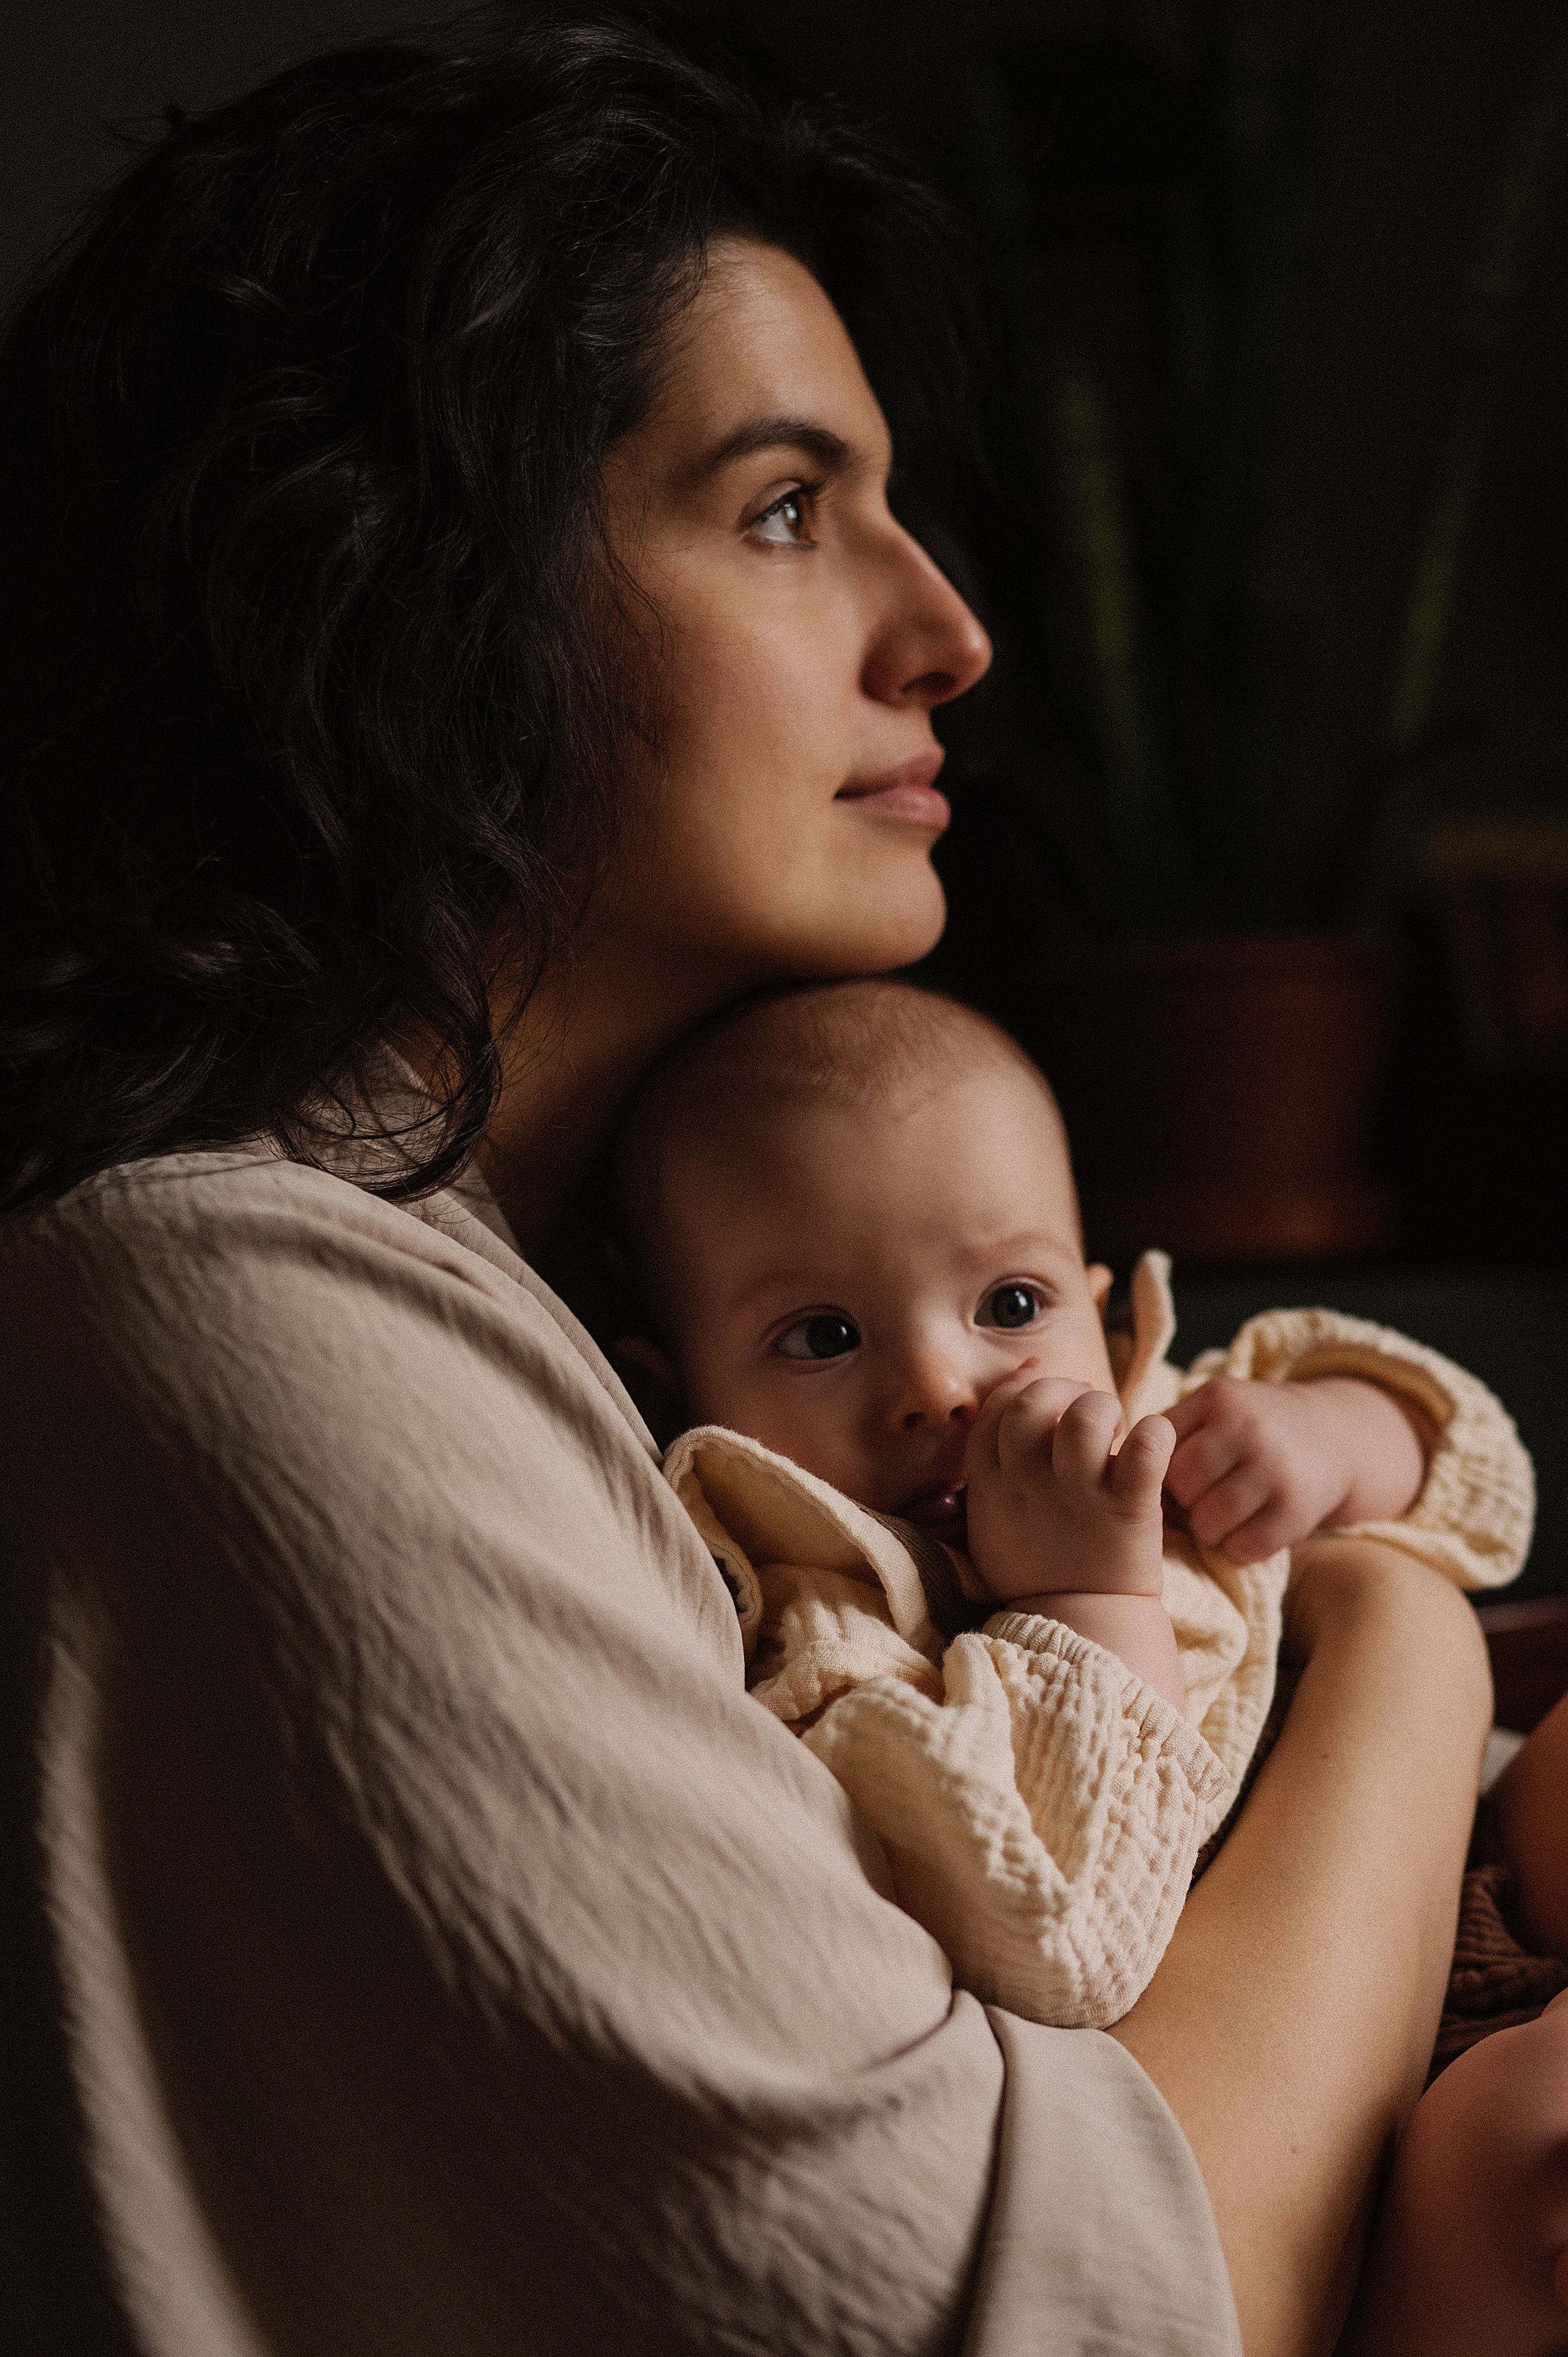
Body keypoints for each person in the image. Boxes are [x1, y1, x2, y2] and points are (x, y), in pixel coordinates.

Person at [0, 13, 1518, 2355]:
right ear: (400, 585)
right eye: (789, 507)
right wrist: (1398, 1640)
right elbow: (1080, 2307)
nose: (953, 633)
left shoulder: (532, 1285)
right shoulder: (220, 1292)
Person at [609, 975, 1534, 2034]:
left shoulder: (1159, 1425)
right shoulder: (831, 1638)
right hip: (1325, 2036)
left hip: (1472, 1830)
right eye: (824, 1335)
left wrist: (1335, 1434)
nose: (942, 1387)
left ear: (1097, 1316)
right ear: (672, 1398)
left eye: (1011, 1304)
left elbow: (1486, 1490)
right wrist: (1080, 1598)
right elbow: (1055, 1943)